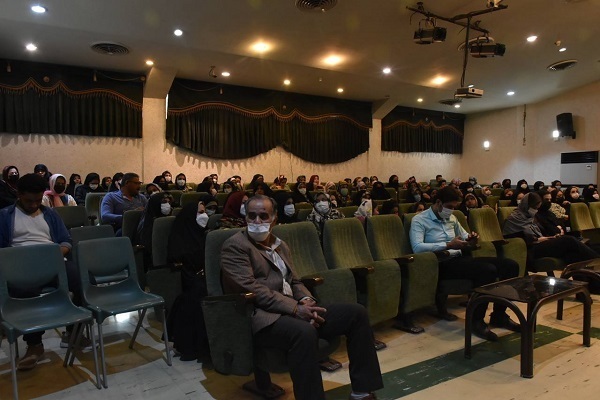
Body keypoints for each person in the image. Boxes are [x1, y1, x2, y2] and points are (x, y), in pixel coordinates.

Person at [221, 195, 383, 400]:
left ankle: (362, 391)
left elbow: (295, 281)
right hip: (263, 316)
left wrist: (307, 300)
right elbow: (253, 289)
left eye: (263, 216)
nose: (257, 221)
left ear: (274, 219)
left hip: (294, 309)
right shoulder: (235, 246)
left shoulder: (280, 245)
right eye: (251, 216)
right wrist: (296, 309)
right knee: (304, 331)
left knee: (356, 313)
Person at [0, 174, 91, 371]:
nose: (34, 205)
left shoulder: (50, 214)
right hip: (21, 265)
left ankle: (73, 333)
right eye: (28, 200)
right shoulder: (5, 216)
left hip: (53, 261)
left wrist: (57, 253)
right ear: (18, 194)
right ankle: (35, 344)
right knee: (25, 290)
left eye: (37, 200)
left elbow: (66, 240)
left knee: (83, 280)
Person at [409, 186, 521, 341]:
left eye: (454, 207)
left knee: (510, 265)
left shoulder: (452, 218)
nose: (451, 210)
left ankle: (499, 315)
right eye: (449, 206)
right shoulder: (419, 220)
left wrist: (471, 239)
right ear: (438, 202)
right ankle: (476, 320)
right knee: (487, 270)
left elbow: (464, 236)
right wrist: (448, 245)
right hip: (440, 263)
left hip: (460, 259)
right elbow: (417, 247)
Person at [166, 196, 214, 362]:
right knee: (195, 297)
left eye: (205, 212)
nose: (204, 216)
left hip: (207, 275)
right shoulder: (181, 237)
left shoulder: (207, 235)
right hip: (190, 277)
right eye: (200, 213)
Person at [503, 192, 598, 266]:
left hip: (540, 242)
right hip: (530, 249)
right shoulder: (514, 218)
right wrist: (538, 239)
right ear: (526, 205)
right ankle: (597, 260)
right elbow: (513, 239)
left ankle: (591, 282)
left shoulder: (530, 217)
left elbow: (540, 232)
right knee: (569, 240)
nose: (535, 210)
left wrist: (550, 237)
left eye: (537, 208)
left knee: (573, 256)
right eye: (534, 207)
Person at [136, 192, 174, 269]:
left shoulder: (171, 220)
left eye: (169, 202)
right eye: (164, 202)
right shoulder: (145, 224)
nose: (167, 205)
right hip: (152, 264)